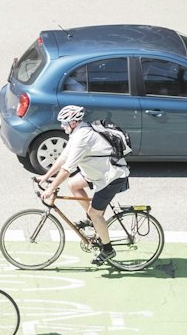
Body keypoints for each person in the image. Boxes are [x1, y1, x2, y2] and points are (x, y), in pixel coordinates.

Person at [39, 105, 129, 267]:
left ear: (73, 122)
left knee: (96, 213)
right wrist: (46, 176)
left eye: (64, 123)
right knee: (73, 185)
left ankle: (108, 249)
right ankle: (91, 219)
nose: (62, 126)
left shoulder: (82, 137)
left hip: (110, 177)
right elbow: (63, 158)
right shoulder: (77, 133)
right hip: (97, 173)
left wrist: (51, 188)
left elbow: (67, 169)